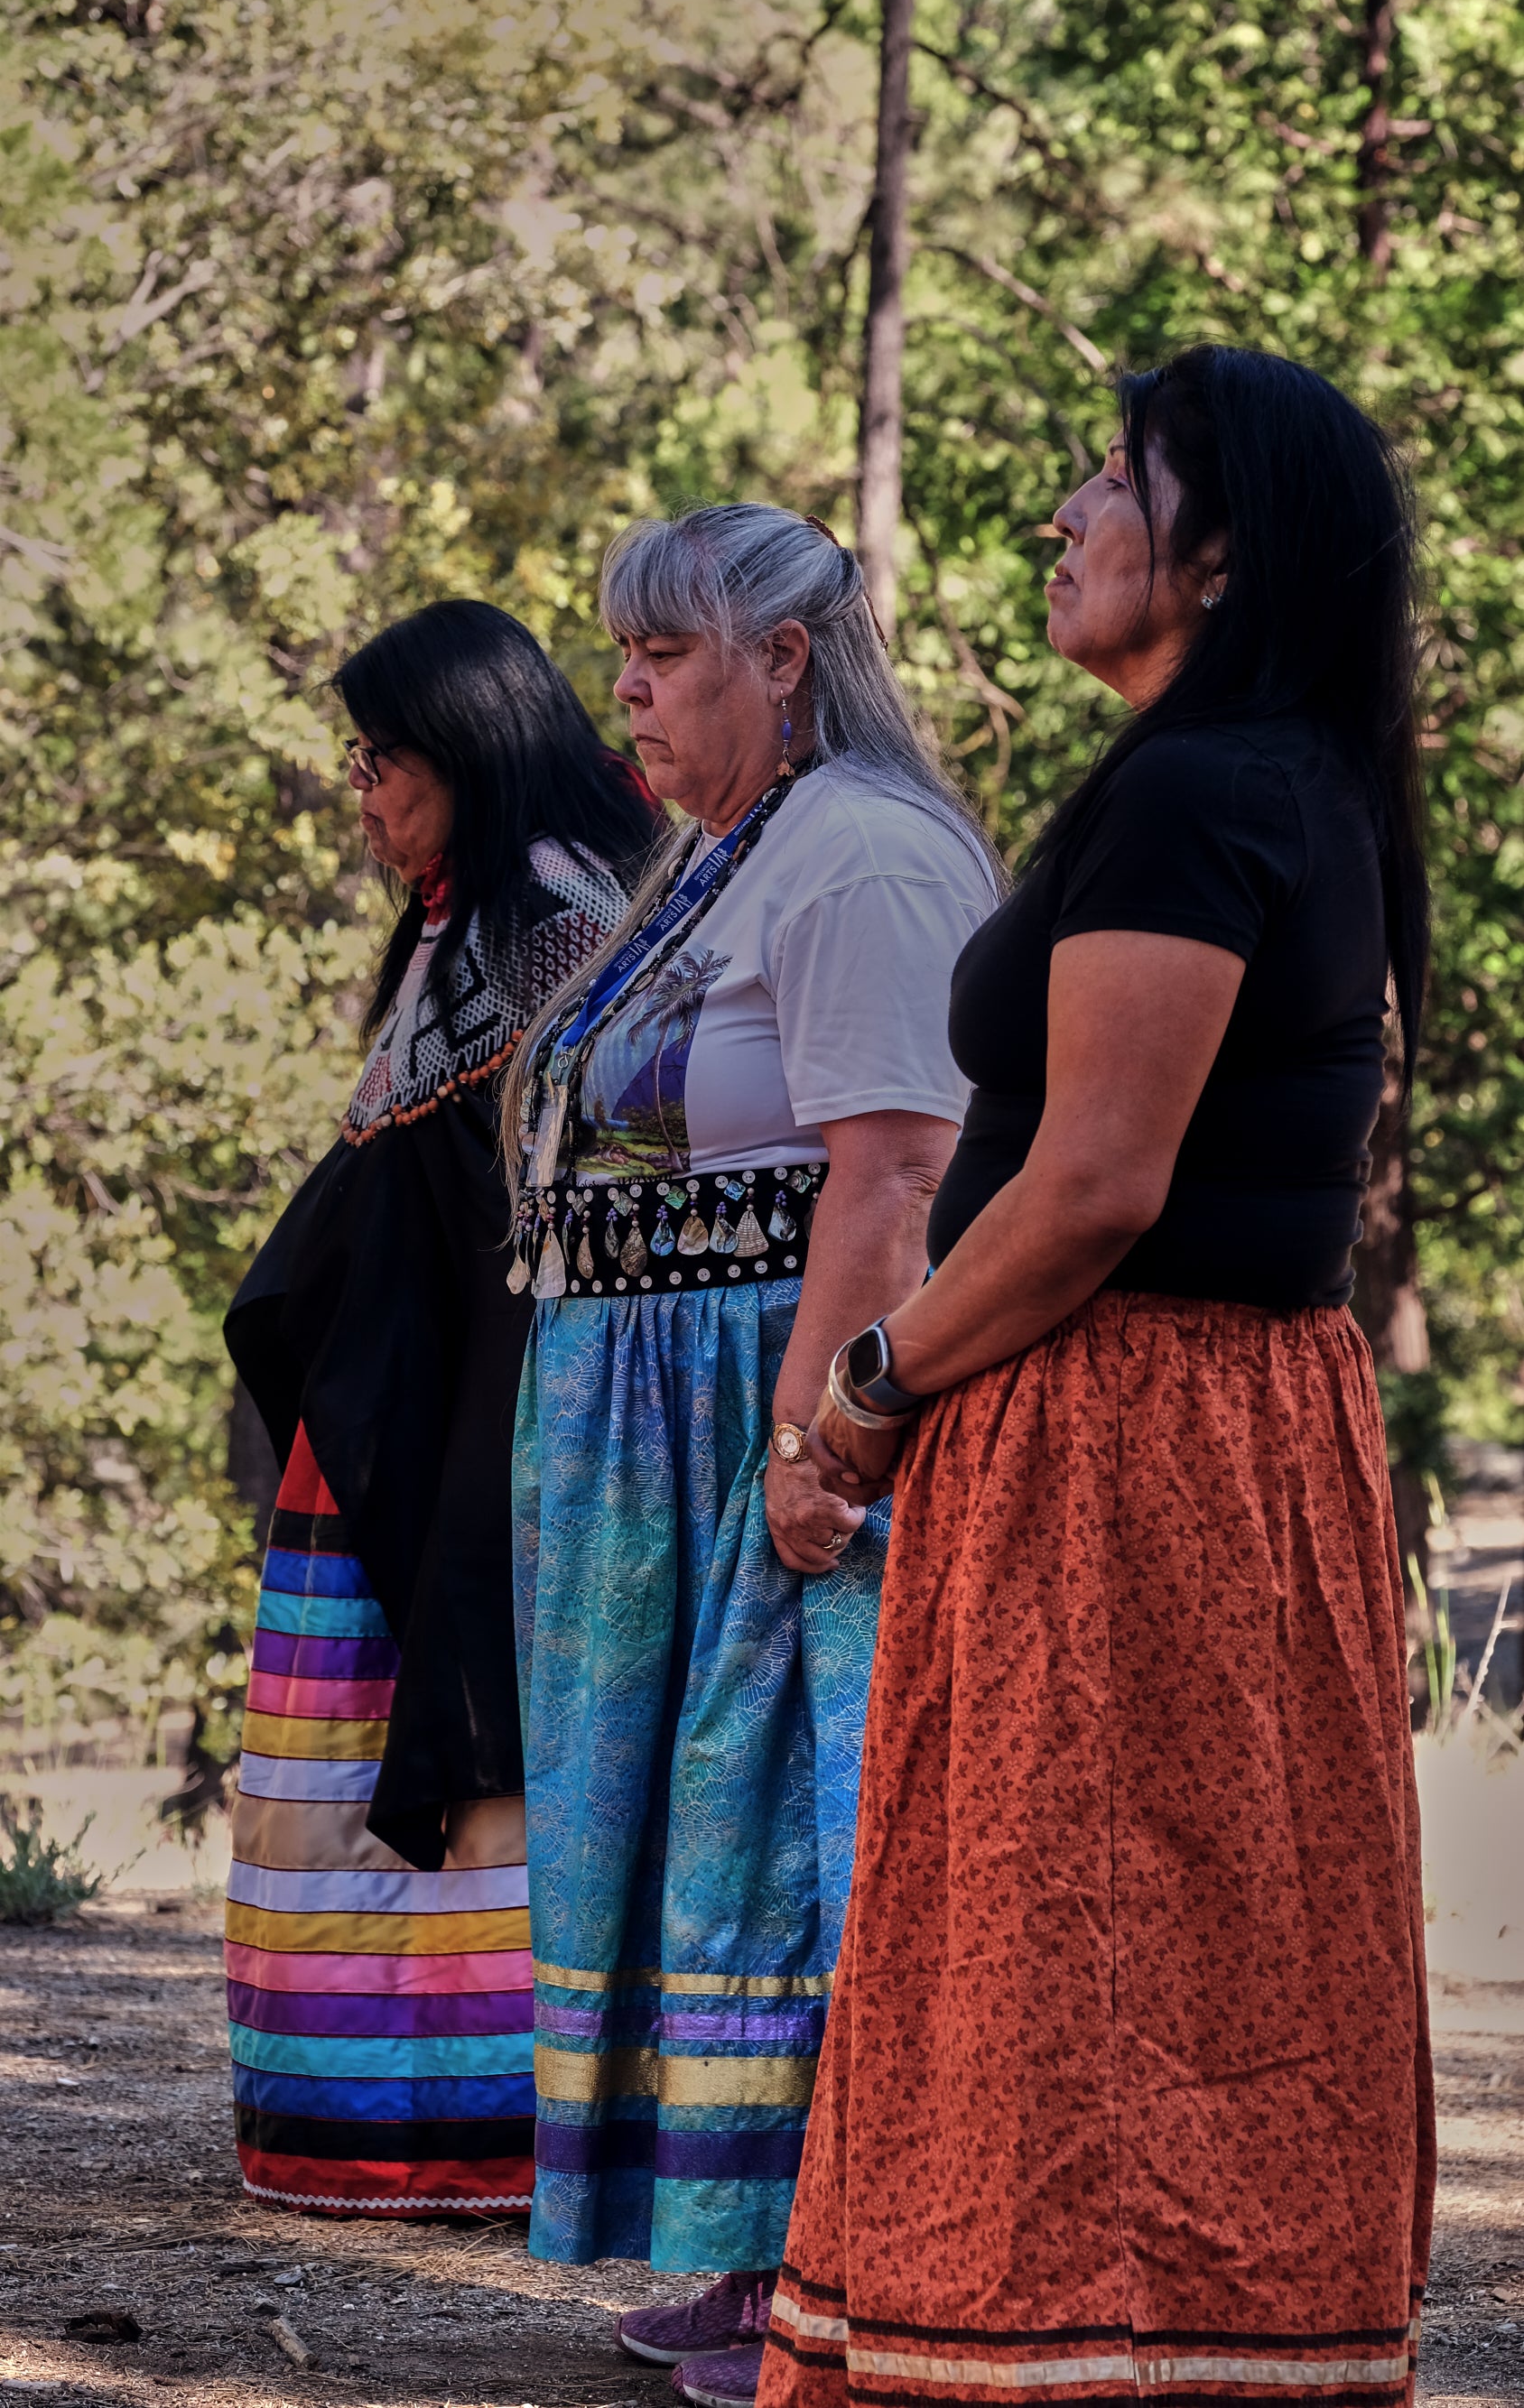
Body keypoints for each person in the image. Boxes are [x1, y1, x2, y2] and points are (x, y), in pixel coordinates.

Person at [762, 348, 1436, 2408]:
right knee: (1192, 1941)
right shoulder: (1277, 778)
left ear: (1216, 551)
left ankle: (1040, 2360)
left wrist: (868, 1391)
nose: (1057, 514)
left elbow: (1087, 1191)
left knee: (1066, 1958)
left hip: (1131, 1432)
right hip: (1228, 1432)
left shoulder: (1202, 794)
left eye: (1105, 479)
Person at [503, 505, 999, 2401]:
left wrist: (816, 1442)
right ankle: (739, 2242)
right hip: (648, 1420)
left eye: (669, 653)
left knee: (784, 1815)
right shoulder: (729, 855)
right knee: (694, 1832)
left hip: (762, 1401)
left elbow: (891, 1169)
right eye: (619, 652)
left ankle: (840, 2263)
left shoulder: (861, 854)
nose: (624, 689)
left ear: (783, 661)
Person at [223, 597, 657, 2218]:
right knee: (352, 1740)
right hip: (391, 1420)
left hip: (483, 1418)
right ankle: (363, 2122)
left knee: (481, 1742)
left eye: (381, 757)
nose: (363, 789)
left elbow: (540, 1205)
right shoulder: (453, 916)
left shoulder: (549, 914)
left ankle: (468, 2131)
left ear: (466, 755)